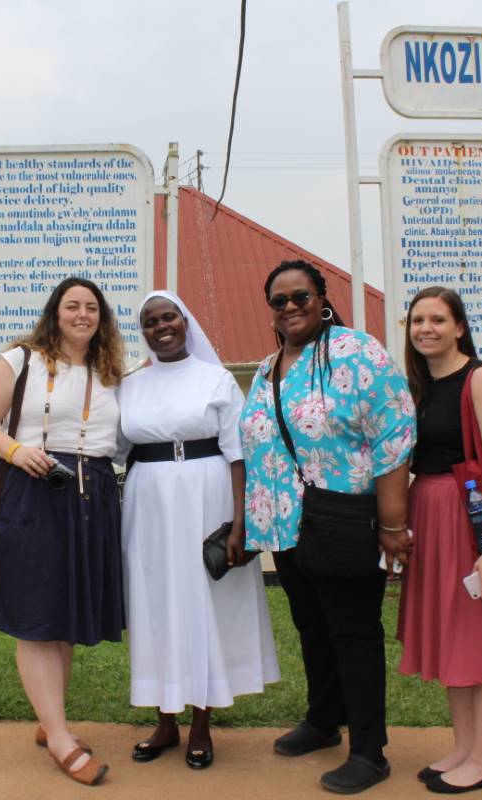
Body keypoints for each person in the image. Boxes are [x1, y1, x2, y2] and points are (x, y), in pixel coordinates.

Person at [239, 260, 416, 795]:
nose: (290, 308)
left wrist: (392, 524)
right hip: (286, 528)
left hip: (340, 520)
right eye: (279, 301)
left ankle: (369, 750)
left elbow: (394, 434)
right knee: (311, 626)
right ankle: (323, 720)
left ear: (322, 299)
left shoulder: (355, 352)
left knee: (353, 632)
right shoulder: (268, 368)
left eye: (300, 297)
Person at [0, 277, 124, 787]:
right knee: (36, 614)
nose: (82, 314)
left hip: (92, 494)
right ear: (55, 312)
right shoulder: (21, 359)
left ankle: (49, 718)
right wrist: (16, 451)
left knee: (64, 611)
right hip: (30, 492)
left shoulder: (114, 370)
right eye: (72, 306)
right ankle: (59, 738)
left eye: (91, 308)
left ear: (101, 317)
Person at [118, 290, 280, 770]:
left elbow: (237, 454)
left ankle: (202, 723)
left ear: (186, 323)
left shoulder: (217, 379)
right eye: (150, 321)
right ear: (143, 331)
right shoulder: (129, 385)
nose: (161, 327)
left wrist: (238, 524)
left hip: (207, 498)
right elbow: (111, 447)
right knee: (156, 603)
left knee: (203, 604)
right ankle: (165, 721)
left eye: (170, 317)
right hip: (148, 504)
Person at [396, 285, 482, 794]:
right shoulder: (421, 385)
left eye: (437, 319)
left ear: (460, 327)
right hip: (429, 514)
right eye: (417, 320)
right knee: (453, 638)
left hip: (470, 522)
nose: (426, 328)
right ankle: (464, 747)